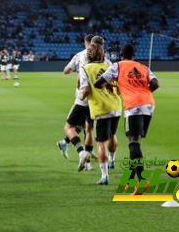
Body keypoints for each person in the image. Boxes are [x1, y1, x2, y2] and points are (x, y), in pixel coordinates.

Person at [94, 43, 159, 186]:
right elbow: (155, 83)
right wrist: (142, 92)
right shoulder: (143, 67)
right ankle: (129, 180)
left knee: (133, 143)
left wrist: (111, 84)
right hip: (149, 104)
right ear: (134, 56)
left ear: (121, 55)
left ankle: (142, 181)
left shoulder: (118, 66)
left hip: (134, 106)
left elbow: (98, 83)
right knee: (135, 142)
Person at [57, 35, 106, 166]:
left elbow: (66, 71)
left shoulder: (80, 55)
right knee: (88, 128)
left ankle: (78, 150)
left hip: (83, 96)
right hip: (97, 99)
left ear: (87, 43)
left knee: (72, 126)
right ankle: (87, 160)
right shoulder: (105, 59)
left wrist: (78, 74)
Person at [78, 43, 121, 185]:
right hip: (116, 106)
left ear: (89, 54)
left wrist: (79, 98)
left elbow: (85, 90)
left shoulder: (86, 69)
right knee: (112, 135)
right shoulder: (110, 67)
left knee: (101, 143)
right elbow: (118, 88)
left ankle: (104, 176)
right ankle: (112, 159)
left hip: (102, 109)